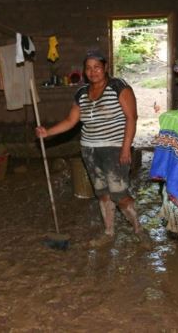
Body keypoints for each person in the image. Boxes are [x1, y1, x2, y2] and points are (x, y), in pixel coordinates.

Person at [35, 50, 142, 245]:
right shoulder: (82, 93)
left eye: (97, 67)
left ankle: (138, 228)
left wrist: (126, 148)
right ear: (84, 71)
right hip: (90, 150)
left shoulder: (119, 87)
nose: (93, 72)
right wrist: (47, 132)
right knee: (102, 193)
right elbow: (70, 121)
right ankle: (109, 232)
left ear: (105, 68)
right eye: (89, 68)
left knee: (119, 194)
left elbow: (131, 118)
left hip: (114, 148)